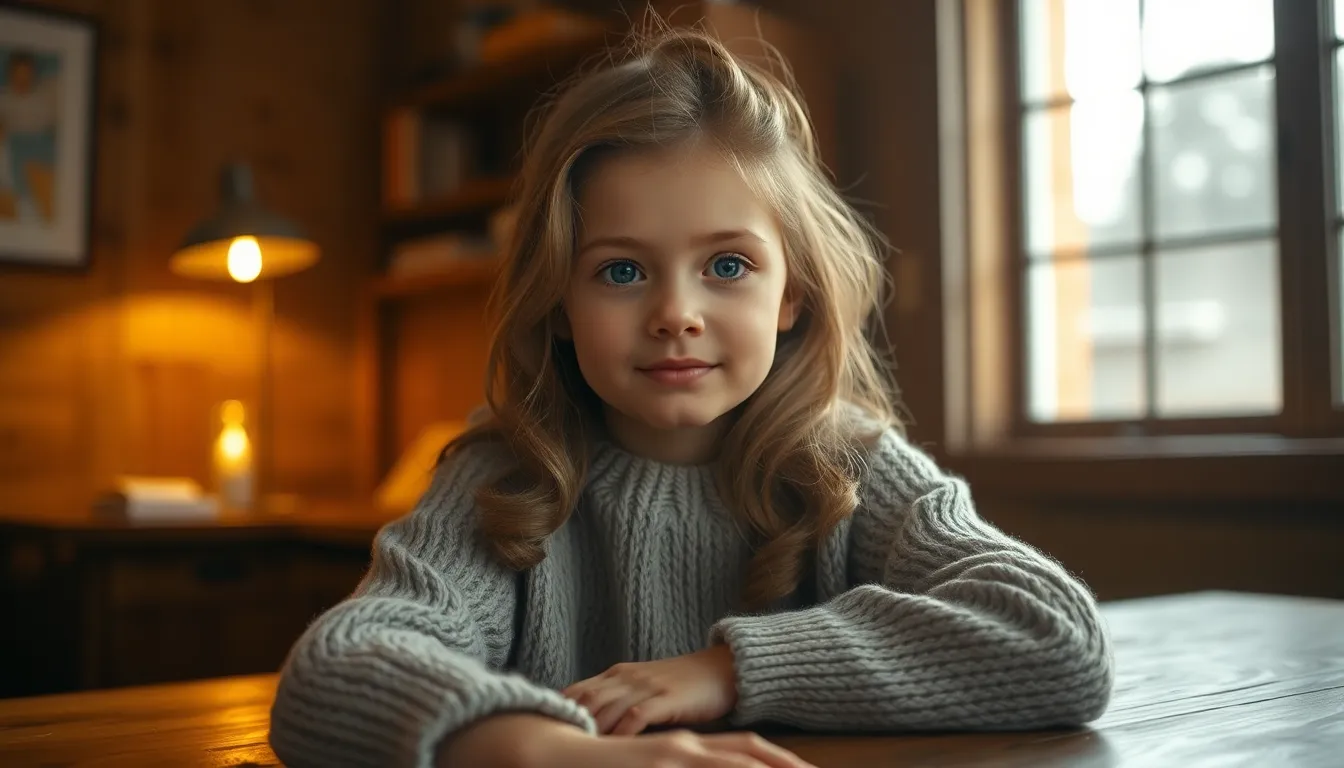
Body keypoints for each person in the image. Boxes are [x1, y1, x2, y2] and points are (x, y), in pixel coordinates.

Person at [269, 26, 1113, 768]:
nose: (676, 315)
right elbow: (336, 668)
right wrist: (544, 753)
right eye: (622, 271)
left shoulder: (846, 465)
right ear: (560, 302)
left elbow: (1057, 639)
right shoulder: (505, 477)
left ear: (791, 296)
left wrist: (726, 670)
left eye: (728, 266)